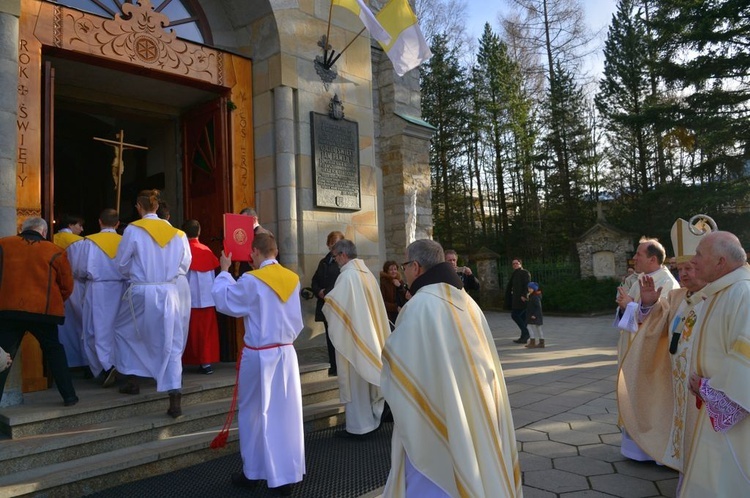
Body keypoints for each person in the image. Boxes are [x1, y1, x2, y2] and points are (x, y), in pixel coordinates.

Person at [380, 239, 521, 497]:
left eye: (404, 265)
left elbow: (398, 364)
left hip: (438, 411)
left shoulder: (419, 306)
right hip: (476, 403)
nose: (403, 272)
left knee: (432, 475)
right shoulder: (468, 302)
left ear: (416, 267)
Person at [617, 217, 710, 485]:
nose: (684, 274)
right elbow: (661, 319)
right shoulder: (680, 295)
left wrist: (635, 307)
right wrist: (645, 305)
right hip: (679, 375)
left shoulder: (726, 296)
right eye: (680, 267)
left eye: (691, 267)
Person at [212, 233, 305, 496]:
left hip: (259, 355)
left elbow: (226, 301)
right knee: (285, 414)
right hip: (286, 354)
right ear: (275, 251)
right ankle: (286, 475)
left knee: (253, 414)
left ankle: (253, 472)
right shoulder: (293, 278)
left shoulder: (253, 280)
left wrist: (225, 270)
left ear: (254, 252)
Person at [672, 230, 750, 496]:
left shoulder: (743, 292)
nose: (693, 261)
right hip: (710, 404)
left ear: (720, 262)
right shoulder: (719, 292)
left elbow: (746, 356)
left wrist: (711, 389)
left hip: (736, 416)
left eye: (699, 255)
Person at [114, 189, 191, 418]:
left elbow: (121, 263)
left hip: (141, 290)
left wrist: (137, 275)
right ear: (157, 207)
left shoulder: (133, 230)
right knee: (172, 340)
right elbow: (184, 265)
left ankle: (133, 378)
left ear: (139, 207)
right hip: (169, 291)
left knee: (125, 332)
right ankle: (174, 395)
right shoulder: (178, 233)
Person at [0, 217, 78, 406]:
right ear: (43, 232)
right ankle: (69, 396)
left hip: (9, 311)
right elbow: (67, 286)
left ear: (22, 229)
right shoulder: (55, 250)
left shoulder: (4, 244)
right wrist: (54, 301)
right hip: (43, 312)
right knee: (54, 351)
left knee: (3, 357)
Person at [615, 236, 679, 460]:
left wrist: (629, 306)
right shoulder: (641, 278)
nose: (634, 258)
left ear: (652, 259)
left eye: (638, 254)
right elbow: (630, 309)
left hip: (651, 353)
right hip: (632, 347)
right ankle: (634, 447)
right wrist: (625, 307)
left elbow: (664, 321)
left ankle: (651, 450)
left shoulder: (667, 282)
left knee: (647, 398)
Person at [322, 239, 390, 437]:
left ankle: (359, 428)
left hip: (354, 338)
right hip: (368, 335)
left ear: (343, 255)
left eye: (335, 257)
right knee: (364, 381)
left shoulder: (348, 276)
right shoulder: (367, 273)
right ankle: (371, 419)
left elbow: (336, 306)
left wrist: (327, 300)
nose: (335, 261)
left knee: (356, 382)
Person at [78, 208, 127, 387]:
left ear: (99, 222)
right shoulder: (125, 241)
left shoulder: (89, 242)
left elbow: (80, 268)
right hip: (121, 288)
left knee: (96, 327)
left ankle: (104, 367)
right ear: (117, 224)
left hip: (98, 288)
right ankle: (119, 364)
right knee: (118, 328)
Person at [181, 219, 220, 375]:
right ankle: (206, 363)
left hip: (187, 299)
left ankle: (183, 362)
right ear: (199, 232)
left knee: (186, 331)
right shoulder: (207, 250)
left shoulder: (183, 251)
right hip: (207, 300)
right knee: (206, 333)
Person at [54, 213, 88, 369]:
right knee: (80, 324)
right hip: (75, 285)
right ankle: (82, 361)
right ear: (71, 225)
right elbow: (82, 268)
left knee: (62, 326)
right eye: (79, 225)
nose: (81, 229)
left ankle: (65, 361)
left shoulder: (52, 238)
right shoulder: (78, 242)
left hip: (55, 285)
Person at [310, 230, 344, 376]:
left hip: (337, 304)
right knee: (330, 336)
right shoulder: (324, 261)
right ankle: (333, 365)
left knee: (338, 337)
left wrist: (328, 291)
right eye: (330, 245)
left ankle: (341, 366)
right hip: (325, 304)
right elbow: (315, 280)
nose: (332, 248)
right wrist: (319, 291)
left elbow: (341, 281)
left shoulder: (342, 261)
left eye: (335, 245)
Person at [157, 200, 192, 341]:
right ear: (168, 216)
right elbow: (187, 259)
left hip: (157, 281)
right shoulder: (180, 234)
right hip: (179, 279)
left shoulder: (146, 233)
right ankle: (176, 359)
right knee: (181, 321)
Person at [506, 257, 531, 344]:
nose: (515, 265)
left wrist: (524, 295)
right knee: (523, 318)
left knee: (515, 315)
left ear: (520, 264)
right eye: (513, 264)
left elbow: (527, 284)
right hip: (515, 298)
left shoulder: (524, 272)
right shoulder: (515, 273)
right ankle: (523, 337)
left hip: (522, 298)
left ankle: (526, 333)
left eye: (516, 263)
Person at [379, 260, 408, 329]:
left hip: (402, 313)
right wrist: (395, 307)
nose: (393, 271)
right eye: (391, 270)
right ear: (387, 271)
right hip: (390, 316)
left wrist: (399, 286)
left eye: (395, 269)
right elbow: (382, 302)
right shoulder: (384, 283)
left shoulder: (400, 281)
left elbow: (406, 295)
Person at [525, 281, 545, 348]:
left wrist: (535, 315)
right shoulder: (532, 296)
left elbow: (538, 307)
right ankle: (541, 342)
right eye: (528, 288)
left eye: (531, 288)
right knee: (537, 328)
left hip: (535, 315)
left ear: (534, 289)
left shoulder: (535, 297)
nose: (529, 290)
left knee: (531, 327)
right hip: (534, 315)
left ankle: (533, 342)